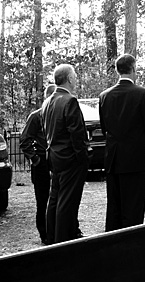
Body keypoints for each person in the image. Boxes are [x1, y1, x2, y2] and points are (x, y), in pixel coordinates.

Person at [98, 54, 145, 232]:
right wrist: (139, 145)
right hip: (135, 159)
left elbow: (104, 127)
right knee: (134, 206)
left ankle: (113, 243)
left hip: (113, 159)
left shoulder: (104, 96)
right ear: (133, 69)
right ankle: (132, 243)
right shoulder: (142, 94)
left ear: (117, 70)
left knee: (114, 206)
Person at [42, 64, 89, 244]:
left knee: (54, 199)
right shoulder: (70, 101)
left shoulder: (47, 102)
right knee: (66, 201)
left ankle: (51, 238)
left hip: (53, 157)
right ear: (69, 79)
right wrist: (83, 159)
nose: (76, 78)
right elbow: (77, 134)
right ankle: (63, 241)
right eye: (75, 75)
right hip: (70, 159)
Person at [20, 84, 56, 244]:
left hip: (56, 162)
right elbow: (24, 140)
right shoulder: (36, 116)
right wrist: (35, 159)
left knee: (58, 198)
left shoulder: (57, 115)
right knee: (42, 200)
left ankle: (57, 230)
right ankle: (44, 234)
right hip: (41, 164)